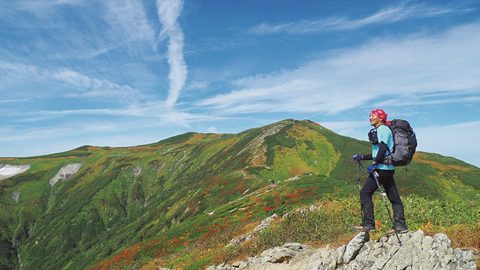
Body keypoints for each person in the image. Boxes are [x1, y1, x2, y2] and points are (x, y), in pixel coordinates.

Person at [352, 109, 408, 234]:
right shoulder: (382, 130)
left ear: (380, 118)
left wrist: (375, 164)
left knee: (365, 193)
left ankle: (368, 224)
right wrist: (362, 157)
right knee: (394, 198)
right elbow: (378, 152)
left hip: (381, 169)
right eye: (370, 115)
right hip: (388, 169)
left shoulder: (382, 129)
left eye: (373, 115)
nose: (370, 117)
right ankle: (400, 225)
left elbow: (383, 148)